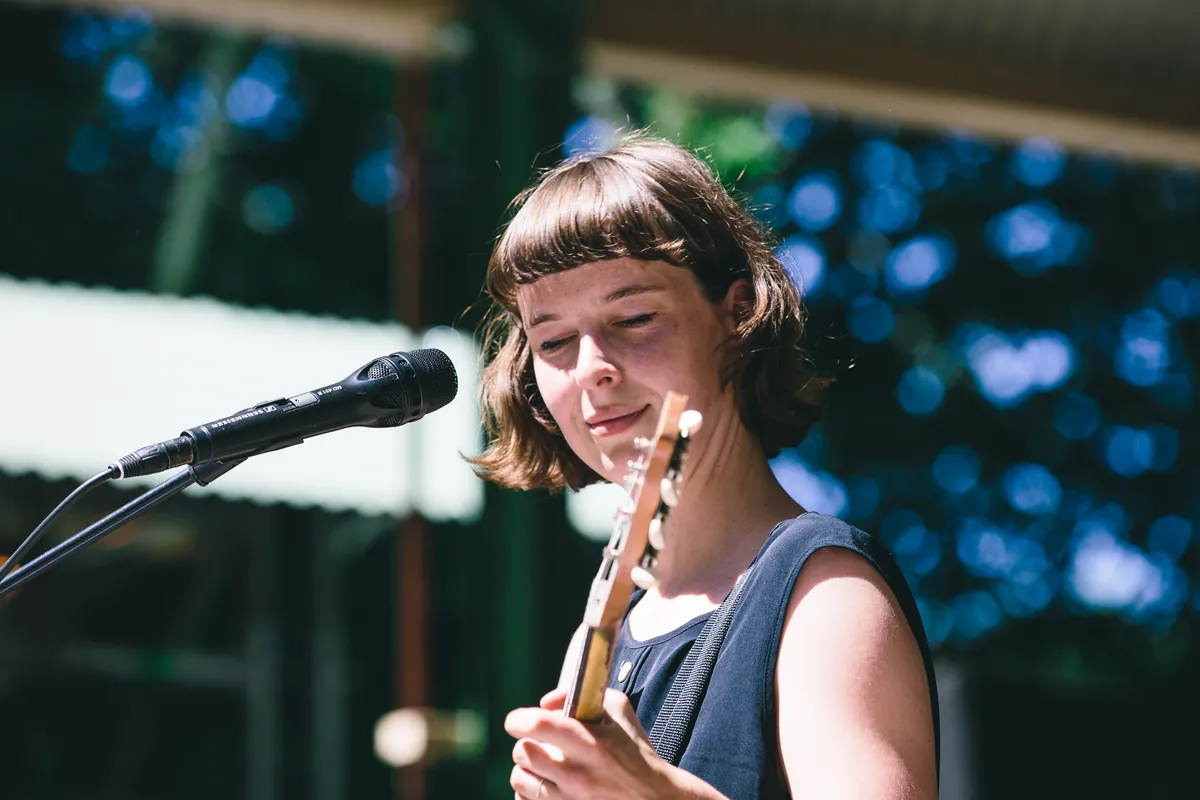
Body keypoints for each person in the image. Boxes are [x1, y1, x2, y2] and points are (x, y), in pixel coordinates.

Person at [470, 132, 939, 799]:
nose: (592, 368)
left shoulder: (827, 594)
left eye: (634, 317)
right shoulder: (600, 640)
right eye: (553, 341)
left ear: (738, 315)